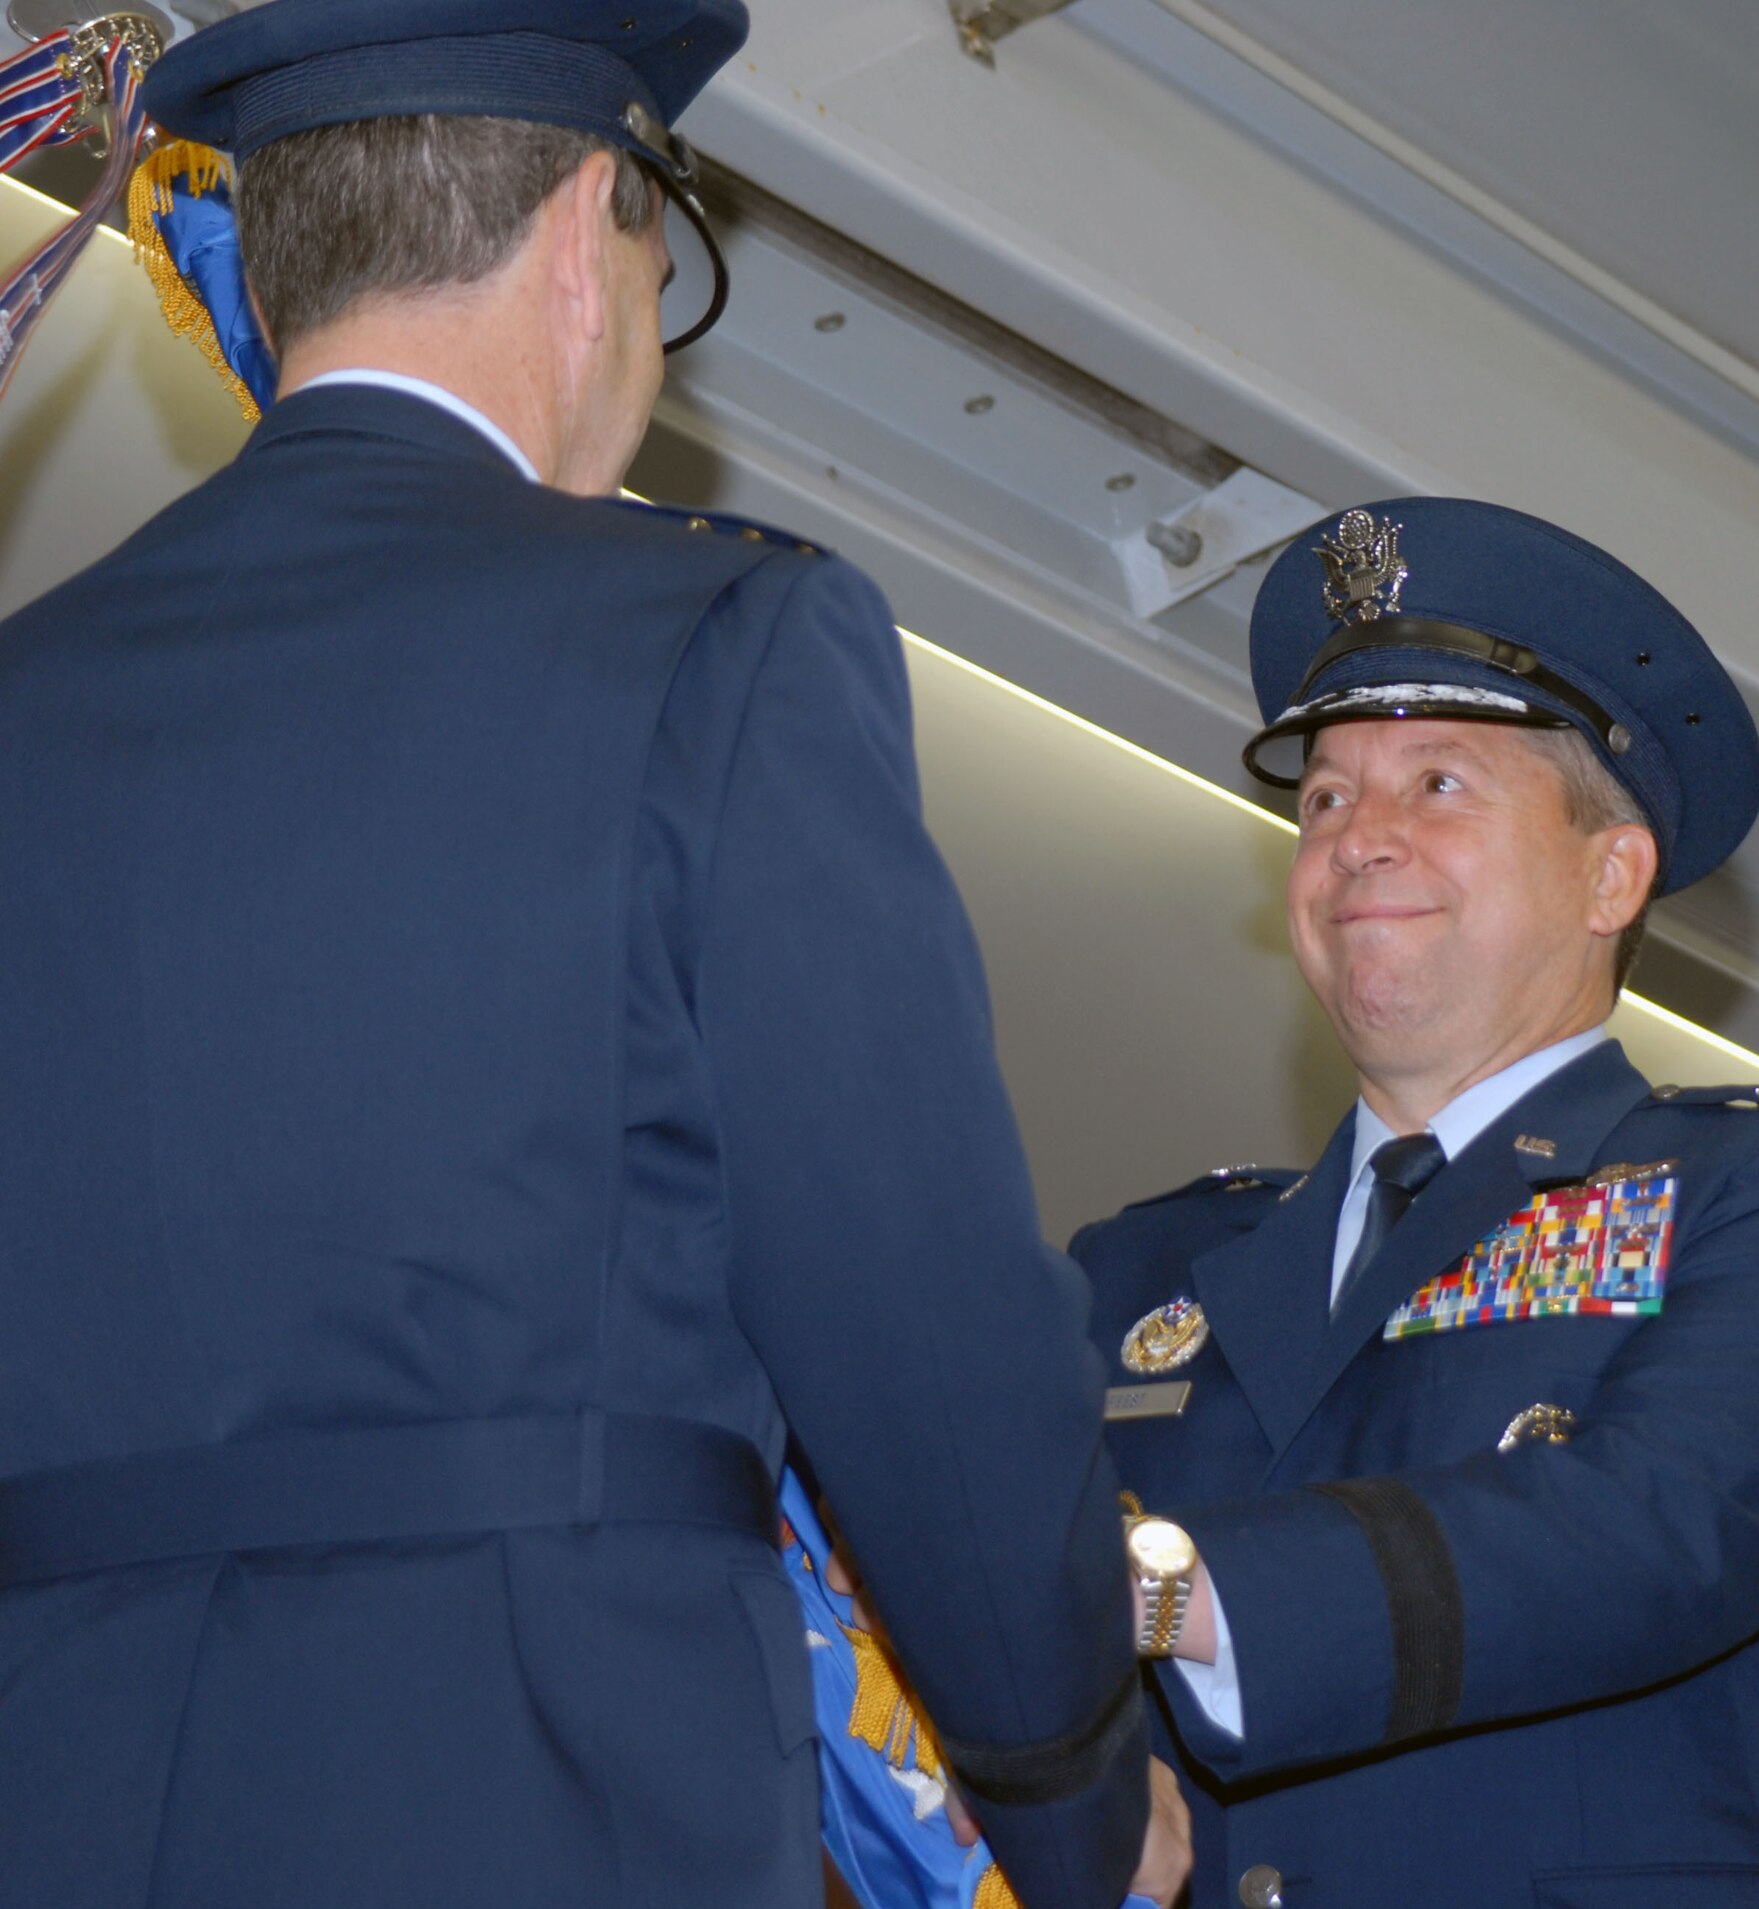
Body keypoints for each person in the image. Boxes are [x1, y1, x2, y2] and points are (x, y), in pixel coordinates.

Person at [0, 3, 1184, 1903]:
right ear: (585, 234)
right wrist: (1071, 1799)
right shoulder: (722, 640)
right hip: (545, 1783)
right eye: (660, 254)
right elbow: (914, 1296)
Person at [1074, 497, 1759, 1908]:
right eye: (1327, 795)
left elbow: (1661, 1522)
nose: (1359, 836)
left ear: (1613, 873)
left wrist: (1156, 1587)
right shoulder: (1142, 1270)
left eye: (1439, 784)